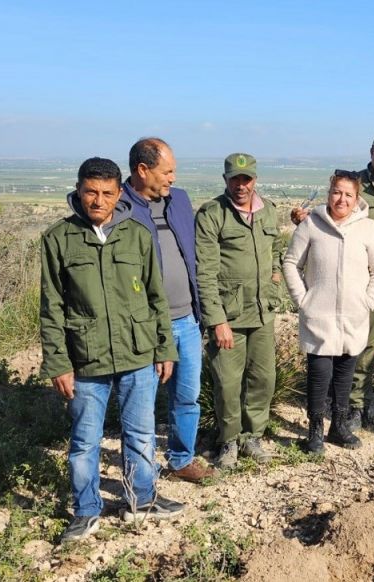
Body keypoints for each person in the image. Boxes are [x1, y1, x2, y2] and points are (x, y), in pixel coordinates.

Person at [40, 157, 182, 543]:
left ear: (119, 193)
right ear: (78, 191)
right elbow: (51, 307)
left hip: (137, 354)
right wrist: (58, 362)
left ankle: (143, 500)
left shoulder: (137, 234)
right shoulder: (59, 239)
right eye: (90, 192)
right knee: (85, 441)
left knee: (141, 433)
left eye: (106, 193)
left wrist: (164, 349)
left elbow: (157, 298)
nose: (98, 200)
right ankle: (86, 511)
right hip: (86, 359)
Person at [121, 137, 216, 483]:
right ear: (142, 170)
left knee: (187, 397)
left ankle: (181, 459)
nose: (173, 178)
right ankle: (140, 480)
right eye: (168, 171)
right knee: (141, 407)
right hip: (144, 327)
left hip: (187, 320)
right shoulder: (119, 208)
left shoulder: (180, 201)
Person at [283, 171, 374, 453]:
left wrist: (368, 301)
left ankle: (339, 427)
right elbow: (291, 263)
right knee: (319, 374)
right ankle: (315, 430)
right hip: (318, 315)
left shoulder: (367, 228)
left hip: (354, 316)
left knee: (345, 374)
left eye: (348, 194)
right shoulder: (311, 226)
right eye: (337, 192)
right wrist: (303, 300)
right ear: (329, 193)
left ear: (357, 200)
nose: (341, 199)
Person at [195, 153, 282, 468]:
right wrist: (217, 321)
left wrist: (274, 282)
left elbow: (274, 252)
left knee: (263, 378)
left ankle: (252, 437)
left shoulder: (268, 211)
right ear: (225, 179)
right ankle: (228, 441)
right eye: (235, 179)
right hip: (229, 316)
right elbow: (203, 273)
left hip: (262, 313)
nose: (241, 185)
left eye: (246, 179)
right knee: (228, 383)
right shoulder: (212, 215)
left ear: (255, 179)